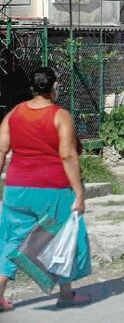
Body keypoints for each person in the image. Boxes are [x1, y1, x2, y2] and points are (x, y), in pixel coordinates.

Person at [0, 67, 91, 310]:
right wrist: (79, 193)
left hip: (16, 188)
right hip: (52, 191)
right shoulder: (60, 116)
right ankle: (65, 293)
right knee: (64, 237)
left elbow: (1, 150)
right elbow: (68, 155)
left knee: (10, 240)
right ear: (54, 88)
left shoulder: (14, 114)